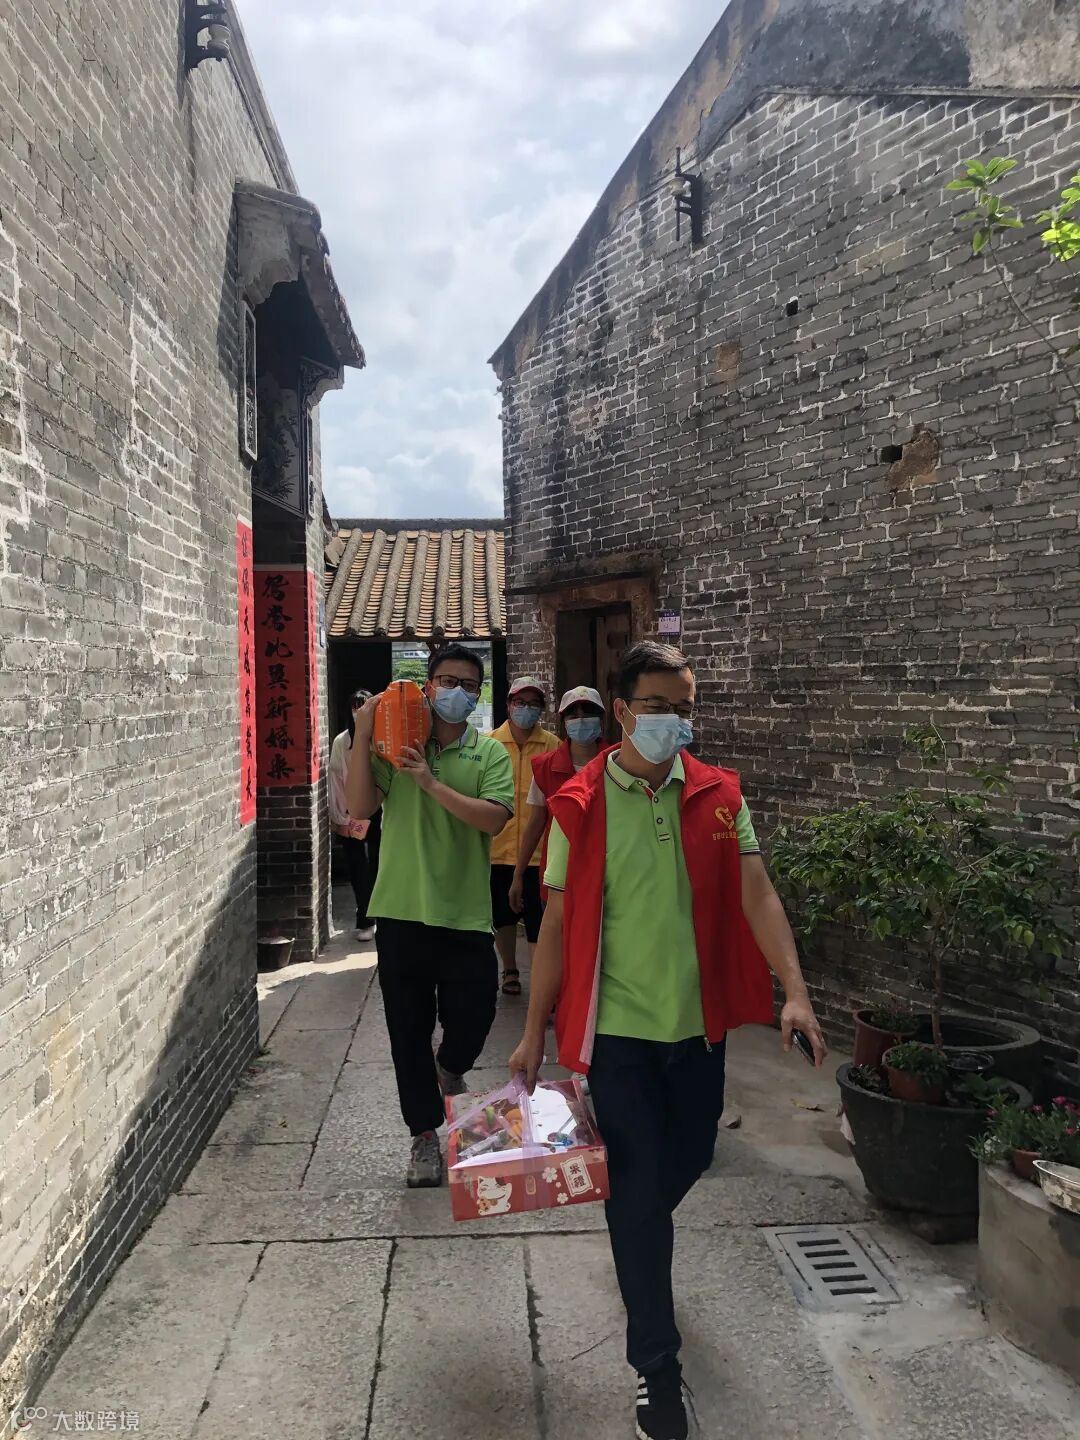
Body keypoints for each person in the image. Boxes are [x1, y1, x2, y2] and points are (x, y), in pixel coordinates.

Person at [509, 641, 827, 1440]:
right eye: (658, 706)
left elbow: (757, 891)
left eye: (684, 707)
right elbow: (555, 924)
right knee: (640, 1186)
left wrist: (795, 991)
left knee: (684, 1162)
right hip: (617, 1036)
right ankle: (656, 1367)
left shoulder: (719, 793)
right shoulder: (581, 803)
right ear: (622, 711)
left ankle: (636, 1229)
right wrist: (532, 1032)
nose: (674, 721)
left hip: (699, 1030)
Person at [346, 644, 515, 1188]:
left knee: (475, 1016)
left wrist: (430, 783)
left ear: (479, 694)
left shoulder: (489, 754)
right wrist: (364, 734)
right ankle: (423, 1134)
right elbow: (360, 808)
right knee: (407, 1031)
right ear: (428, 686)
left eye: (468, 684)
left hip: (465, 914)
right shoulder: (396, 749)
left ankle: (451, 1068)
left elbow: (492, 820)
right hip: (401, 911)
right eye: (447, 681)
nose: (456, 692)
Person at [487, 676, 559, 997]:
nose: (526, 709)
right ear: (508, 705)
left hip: (540, 852)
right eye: (520, 702)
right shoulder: (490, 744)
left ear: (542, 709)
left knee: (538, 919)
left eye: (533, 704)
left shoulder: (553, 747)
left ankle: (542, 982)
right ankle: (510, 968)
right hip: (497, 848)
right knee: (502, 916)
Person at [508, 685, 606, 918]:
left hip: (606, 875)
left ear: (601, 719)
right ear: (564, 722)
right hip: (558, 876)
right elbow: (536, 824)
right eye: (573, 715)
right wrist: (518, 874)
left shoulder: (617, 762)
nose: (581, 720)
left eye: (588, 713)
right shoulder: (546, 767)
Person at [328, 689, 380, 942]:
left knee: (378, 864)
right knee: (358, 866)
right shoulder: (342, 742)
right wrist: (340, 818)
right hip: (353, 812)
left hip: (380, 811)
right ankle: (365, 919)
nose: (359, 712)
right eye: (355, 707)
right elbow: (336, 780)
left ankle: (381, 915)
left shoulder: (382, 738)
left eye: (364, 706)